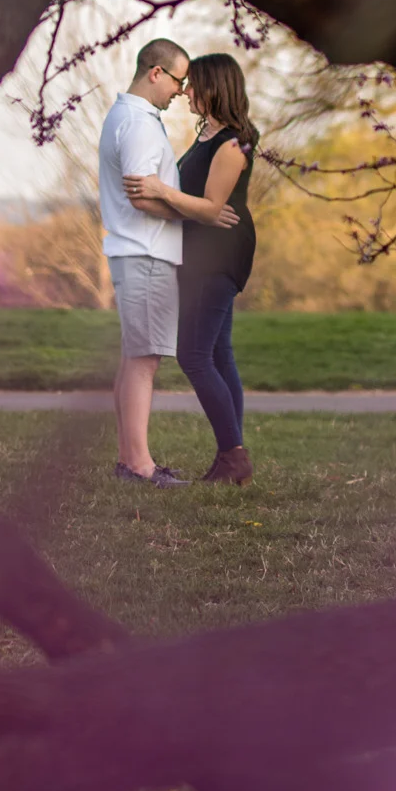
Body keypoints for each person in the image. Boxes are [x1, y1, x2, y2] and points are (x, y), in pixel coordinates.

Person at [97, 38, 235, 486]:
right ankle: (139, 466)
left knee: (133, 358)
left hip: (138, 251)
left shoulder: (132, 116)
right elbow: (142, 196)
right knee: (144, 361)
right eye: (178, 80)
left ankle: (127, 460)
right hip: (146, 252)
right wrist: (197, 213)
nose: (181, 91)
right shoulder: (137, 123)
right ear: (155, 73)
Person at [126, 52, 258, 484]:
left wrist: (161, 190)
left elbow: (212, 207)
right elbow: (200, 207)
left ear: (215, 87)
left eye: (193, 84)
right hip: (203, 249)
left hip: (218, 254)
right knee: (219, 352)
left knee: (194, 355)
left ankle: (233, 456)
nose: (185, 92)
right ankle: (232, 458)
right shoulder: (210, 136)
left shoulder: (234, 142)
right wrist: (181, 205)